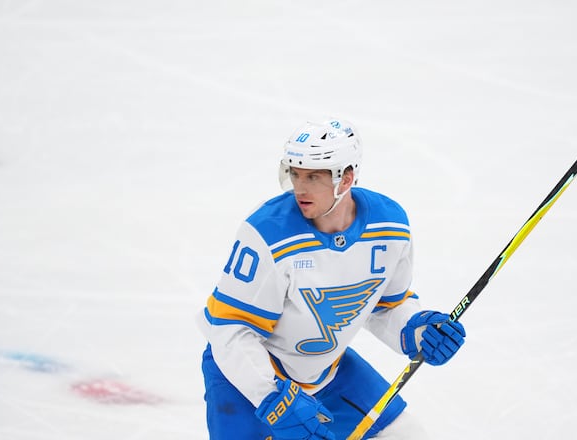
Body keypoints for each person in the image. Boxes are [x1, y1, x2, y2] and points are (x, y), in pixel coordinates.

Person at [197, 118, 466, 439]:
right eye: (295, 174)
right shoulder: (267, 233)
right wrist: (273, 396)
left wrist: (419, 330)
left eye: (313, 176)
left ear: (346, 177)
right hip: (245, 380)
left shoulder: (390, 225)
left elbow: (385, 305)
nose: (300, 187)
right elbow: (231, 330)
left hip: (327, 373)